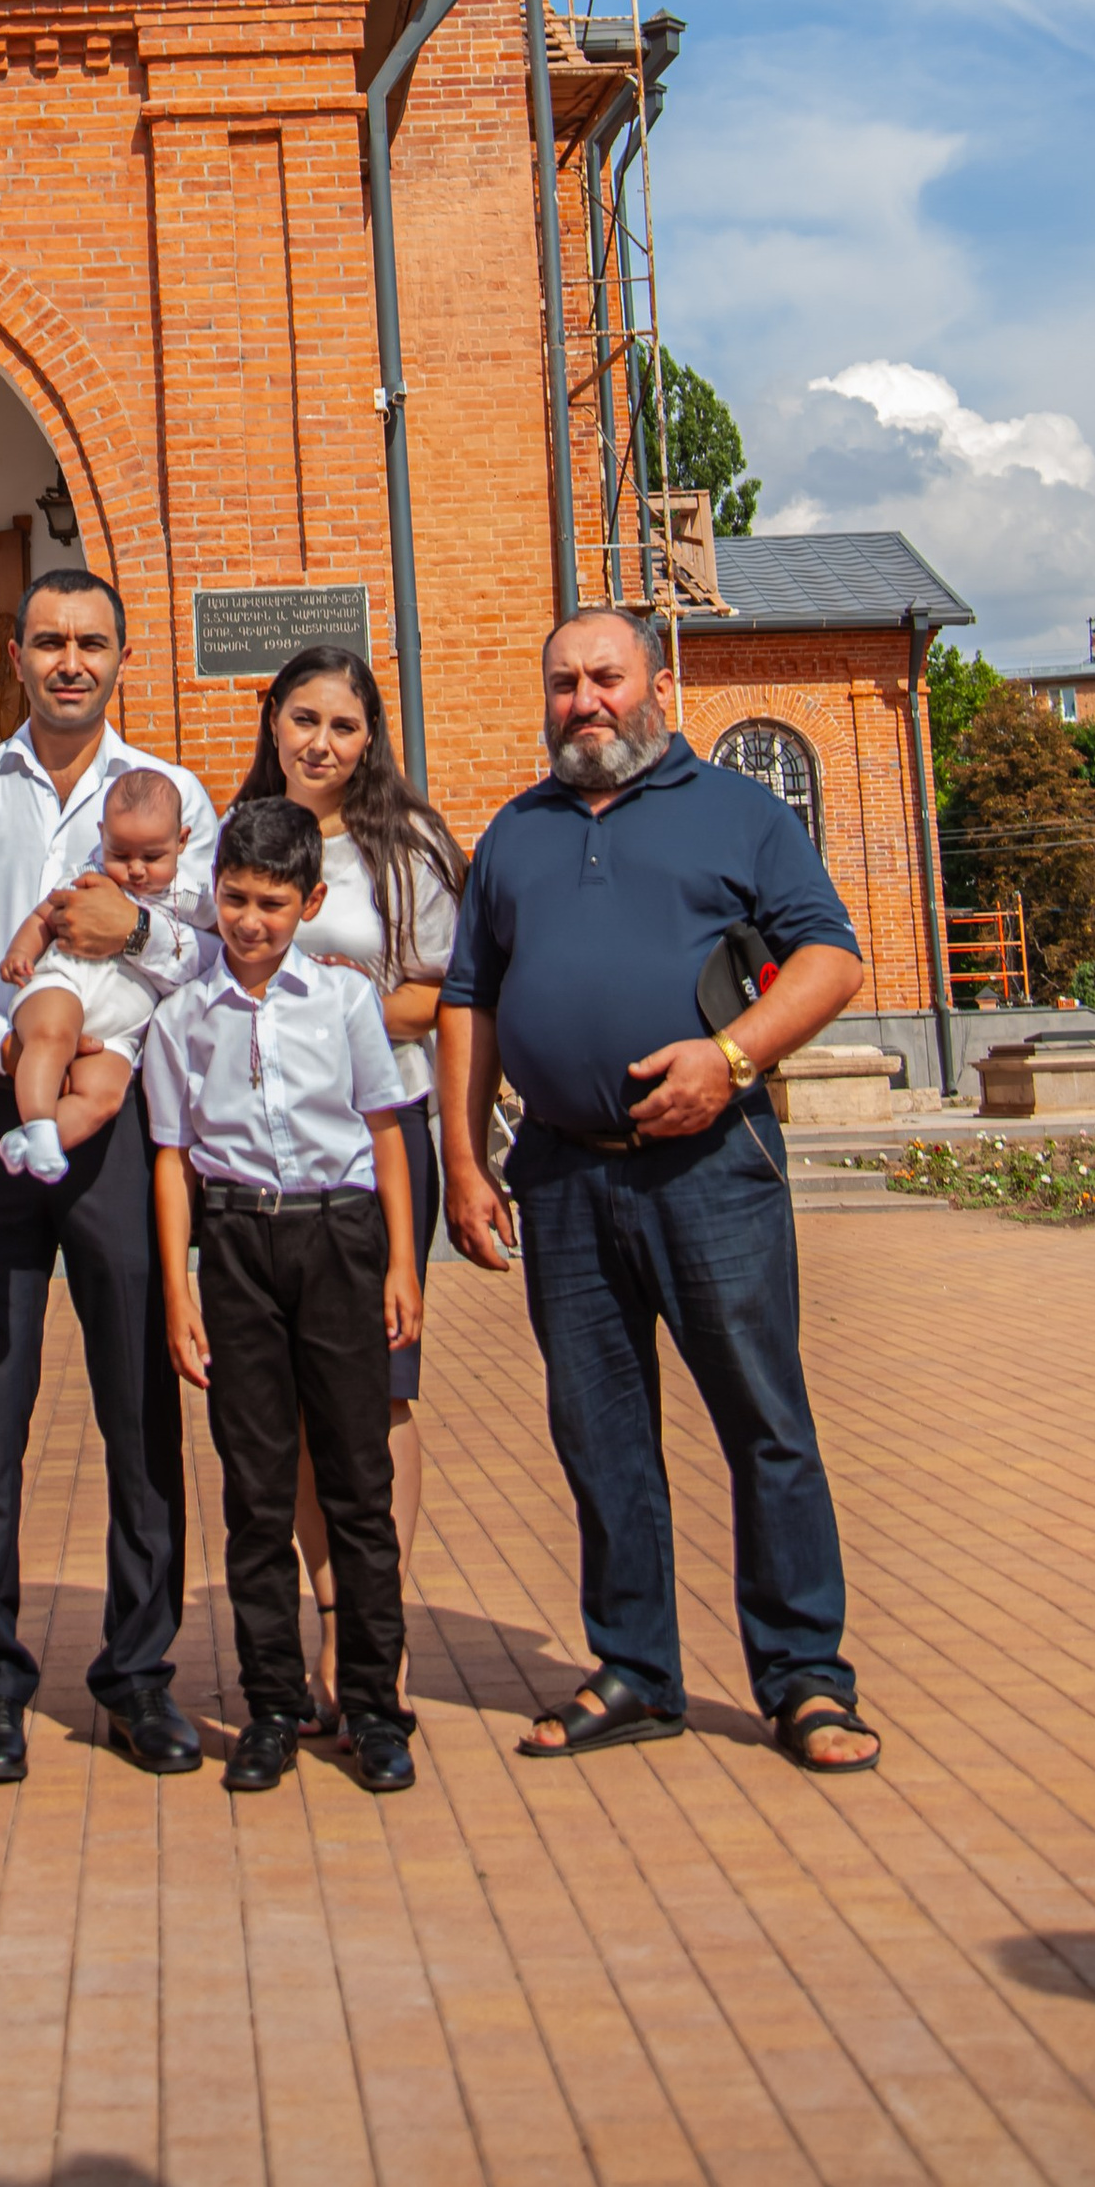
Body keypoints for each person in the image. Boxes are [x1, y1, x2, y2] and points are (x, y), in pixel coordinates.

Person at [439, 607, 884, 1775]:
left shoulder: (742, 814)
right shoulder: (515, 835)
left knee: (763, 1424)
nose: (583, 701)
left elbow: (831, 957)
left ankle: (803, 1681)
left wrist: (730, 1057)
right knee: (599, 1434)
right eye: (563, 683)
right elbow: (468, 1002)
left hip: (711, 1171)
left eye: (605, 677)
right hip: (562, 1176)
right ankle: (635, 1668)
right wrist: (460, 1158)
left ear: (657, 682)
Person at [0, 568, 217, 1784]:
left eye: (91, 642)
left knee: (138, 1392)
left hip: (122, 1117)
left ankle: (138, 1674)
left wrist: (127, 934)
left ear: (122, 658)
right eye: (47, 642)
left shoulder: (176, 795)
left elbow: (213, 944)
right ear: (17, 657)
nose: (69, 661)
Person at [146, 796, 422, 1798]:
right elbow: (171, 1158)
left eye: (271, 902)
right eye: (233, 899)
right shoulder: (182, 1016)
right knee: (256, 1491)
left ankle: (375, 1708)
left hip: (336, 1238)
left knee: (357, 1482)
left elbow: (384, 1126)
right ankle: (270, 1706)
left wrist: (398, 1263)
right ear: (212, 893)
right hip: (235, 1244)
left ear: (309, 901)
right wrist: (179, 1286)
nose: (250, 922)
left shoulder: (345, 1001)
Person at [231, 642, 463, 1731]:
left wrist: (336, 1000)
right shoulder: (232, 842)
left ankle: (377, 1638)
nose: (322, 743)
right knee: (296, 1408)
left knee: (378, 1390)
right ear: (273, 719)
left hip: (376, 1143)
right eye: (305, 719)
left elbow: (442, 997)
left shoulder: (400, 845)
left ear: (371, 739)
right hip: (264, 1156)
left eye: (346, 725)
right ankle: (329, 1617)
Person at [0, 764, 196, 1178]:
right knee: (52, 1036)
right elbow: (44, 915)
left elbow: (214, 946)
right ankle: (39, 1123)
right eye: (120, 854)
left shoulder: (192, 897)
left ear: (181, 841)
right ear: (102, 835)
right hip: (64, 982)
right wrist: (21, 950)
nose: (136, 869)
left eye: (152, 857)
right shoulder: (89, 875)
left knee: (103, 1097)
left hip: (120, 1029)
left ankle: (33, 1142)